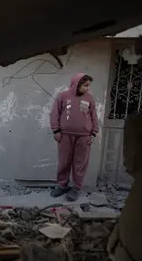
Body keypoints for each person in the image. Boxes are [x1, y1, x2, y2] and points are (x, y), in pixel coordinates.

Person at [49, 73, 99, 201]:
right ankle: (62, 185)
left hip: (84, 137)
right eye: (85, 85)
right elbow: (55, 114)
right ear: (76, 84)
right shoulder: (63, 96)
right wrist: (56, 131)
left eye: (89, 86)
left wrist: (93, 133)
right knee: (64, 162)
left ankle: (76, 188)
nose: (88, 88)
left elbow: (94, 116)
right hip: (65, 136)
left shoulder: (90, 99)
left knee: (80, 163)